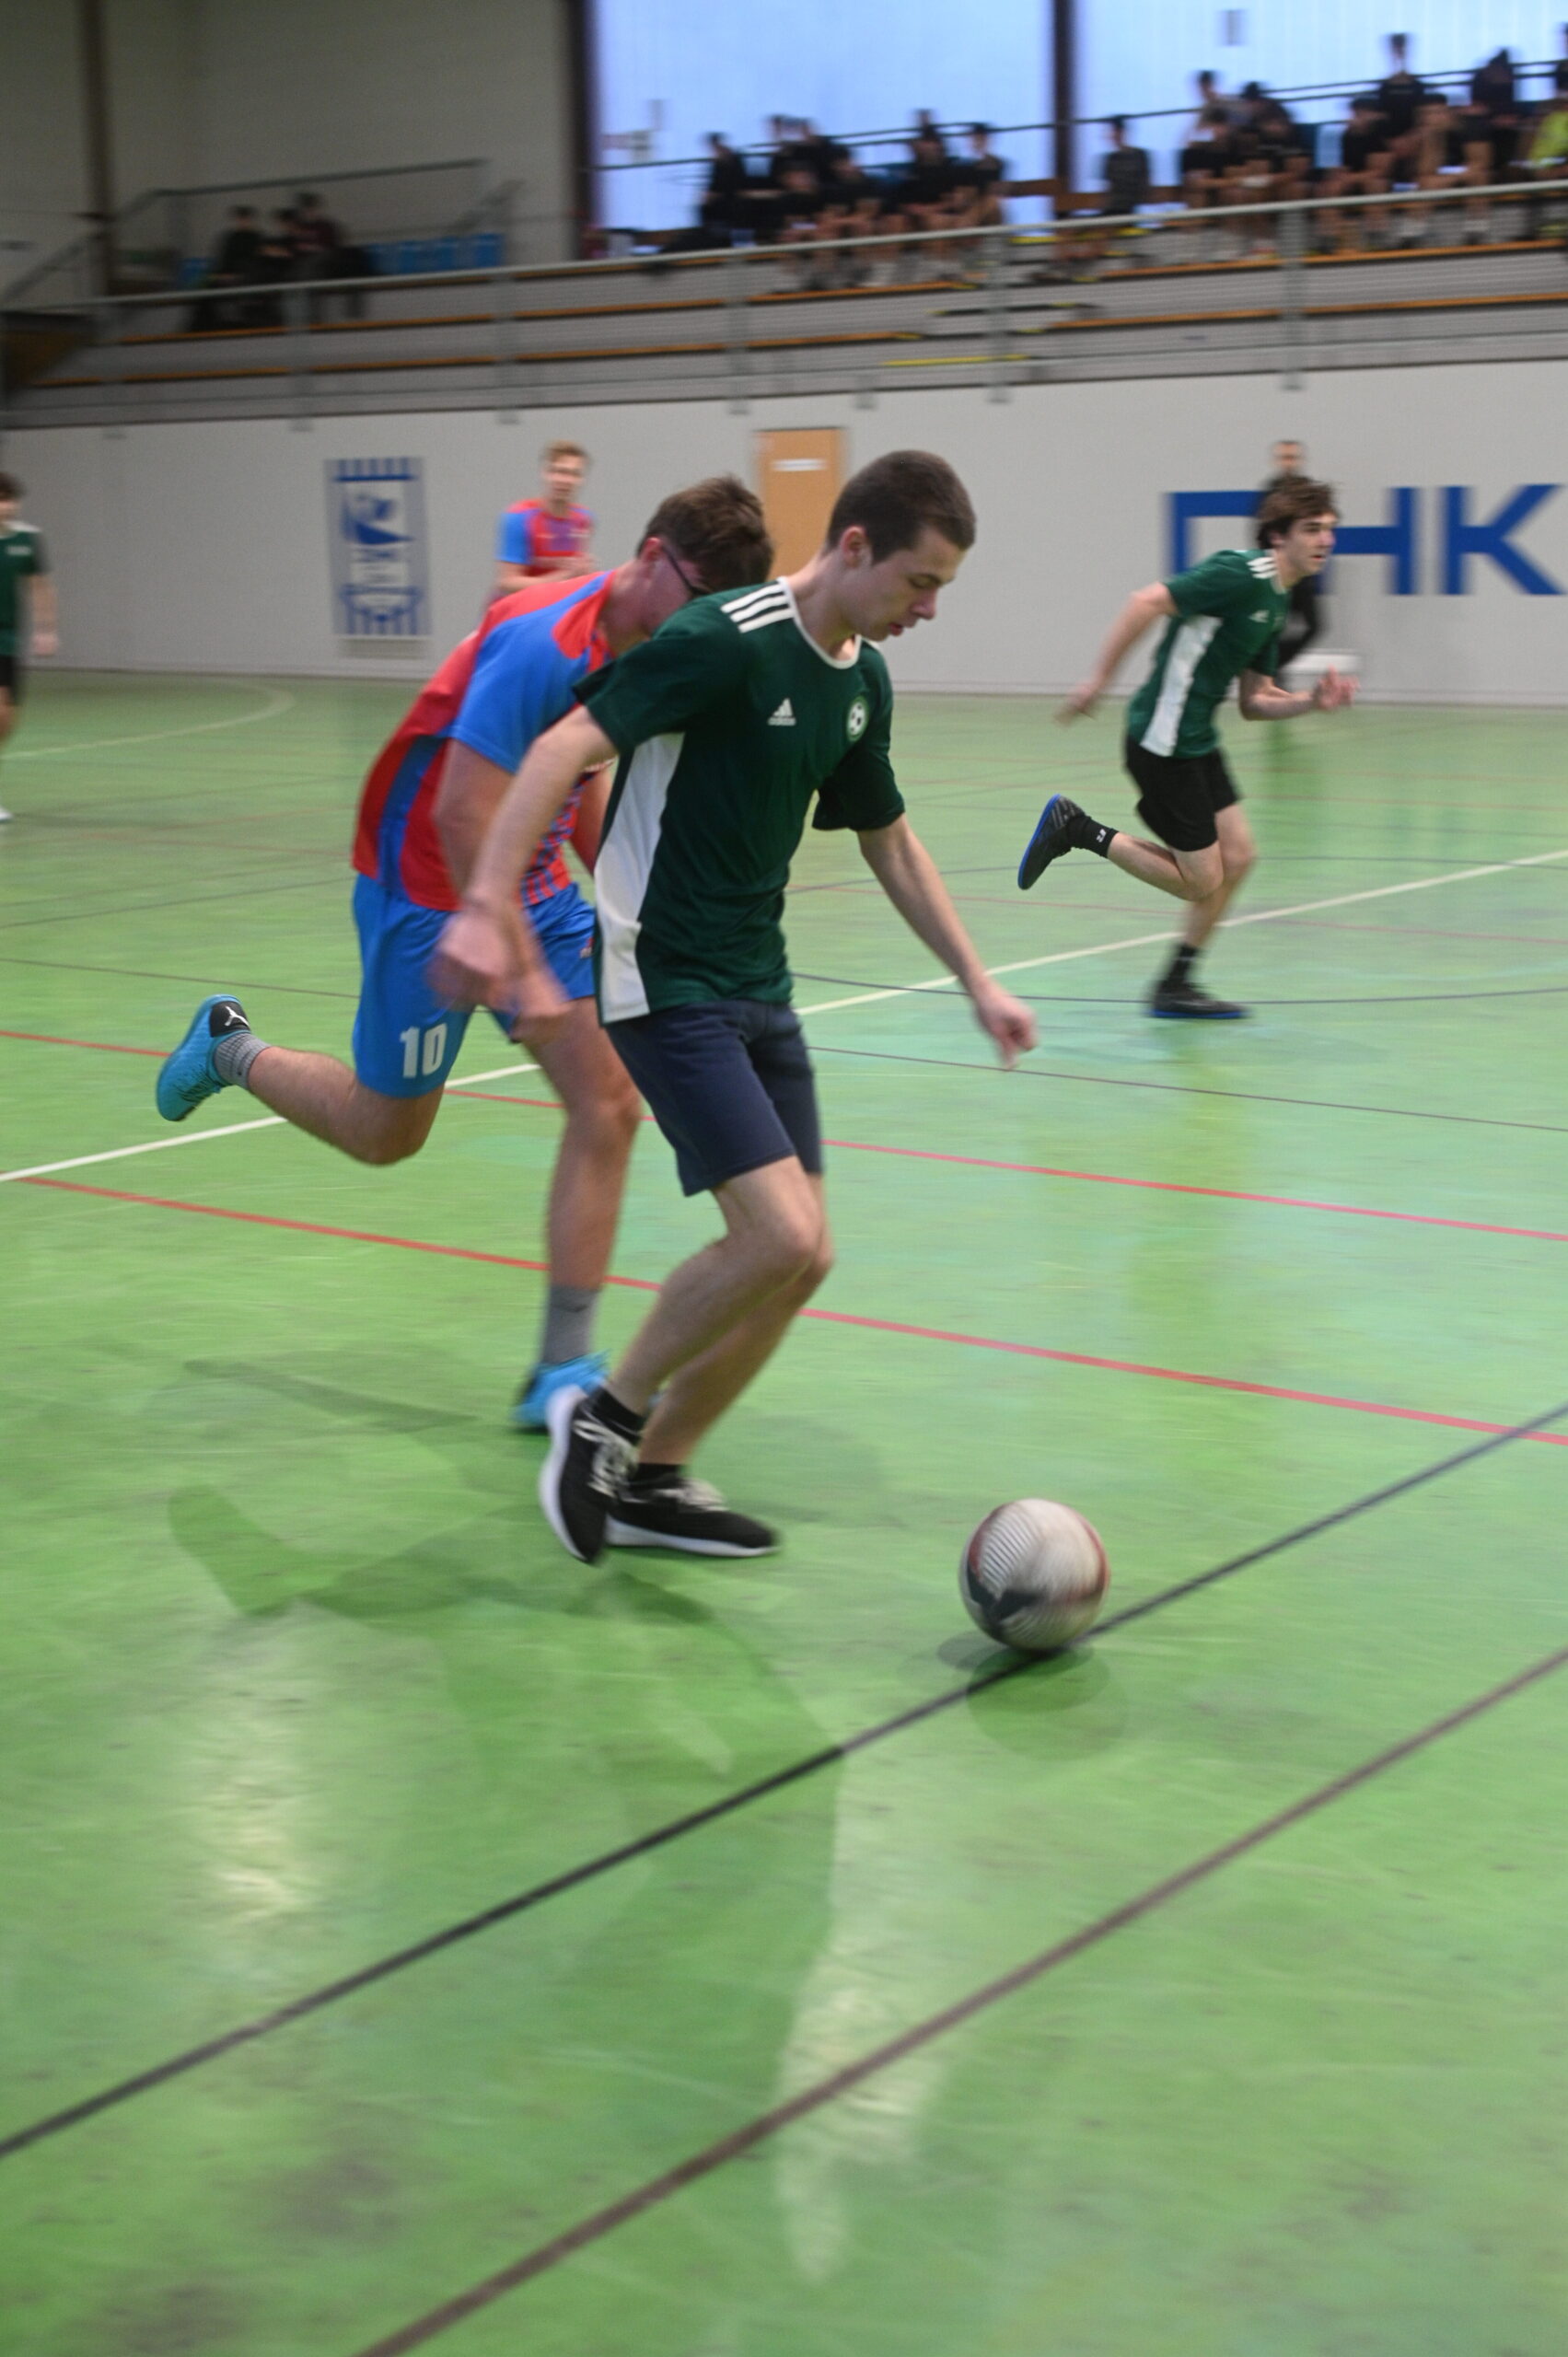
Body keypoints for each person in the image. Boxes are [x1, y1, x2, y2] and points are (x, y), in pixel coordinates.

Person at [432, 451, 1037, 1563]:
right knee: (778, 1232)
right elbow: (563, 746)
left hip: (758, 980)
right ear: (852, 545)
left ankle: (654, 1478)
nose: (928, 608)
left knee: (805, 1259)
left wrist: (975, 979)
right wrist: (483, 906)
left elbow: (890, 840)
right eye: (918, 581)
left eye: (941, 588)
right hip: (660, 975)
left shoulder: (859, 681)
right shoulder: (723, 637)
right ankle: (603, 1419)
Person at [154, 478, 773, 1429]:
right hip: (428, 882)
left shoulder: (647, 640)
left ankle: (561, 1369)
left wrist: (634, 906)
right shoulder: (542, 641)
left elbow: (584, 773)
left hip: (531, 878)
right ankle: (230, 1047)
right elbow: (457, 813)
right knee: (385, 1133)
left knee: (608, 1103)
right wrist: (519, 969)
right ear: (652, 557)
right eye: (697, 602)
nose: (703, 630)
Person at [1016, 476, 1354, 1021]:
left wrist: (1311, 702)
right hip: (1163, 739)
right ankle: (1076, 828)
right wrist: (1100, 678)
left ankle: (1175, 985)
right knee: (1200, 881)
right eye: (1312, 529)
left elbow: (1255, 699)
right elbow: (1147, 601)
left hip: (1196, 739)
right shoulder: (1240, 574)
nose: (1326, 541)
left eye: (1330, 530)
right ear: (1278, 535)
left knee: (1239, 857)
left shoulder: (1278, 599)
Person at [0, 472, 58, 823]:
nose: (5, 506)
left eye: (10, 499)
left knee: (8, 718)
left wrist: (47, 629)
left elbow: (40, 586)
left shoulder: (28, 539)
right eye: (0, 499)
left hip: (8, 638)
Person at [1257, 439, 1324, 670]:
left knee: (1314, 626)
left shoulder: (1308, 493)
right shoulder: (1269, 493)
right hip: (1278, 571)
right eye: (1284, 458)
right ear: (1277, 461)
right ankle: (1268, 674)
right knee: (1272, 627)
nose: (1288, 463)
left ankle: (1274, 666)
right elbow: (1261, 533)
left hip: (1302, 573)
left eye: (1292, 458)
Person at [495, 443, 595, 593]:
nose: (566, 480)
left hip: (559, 604)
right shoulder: (519, 518)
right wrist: (565, 577)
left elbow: (577, 575)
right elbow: (507, 583)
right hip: (520, 605)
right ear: (545, 474)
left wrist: (586, 573)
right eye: (560, 471)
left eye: (574, 474)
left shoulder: (584, 518)